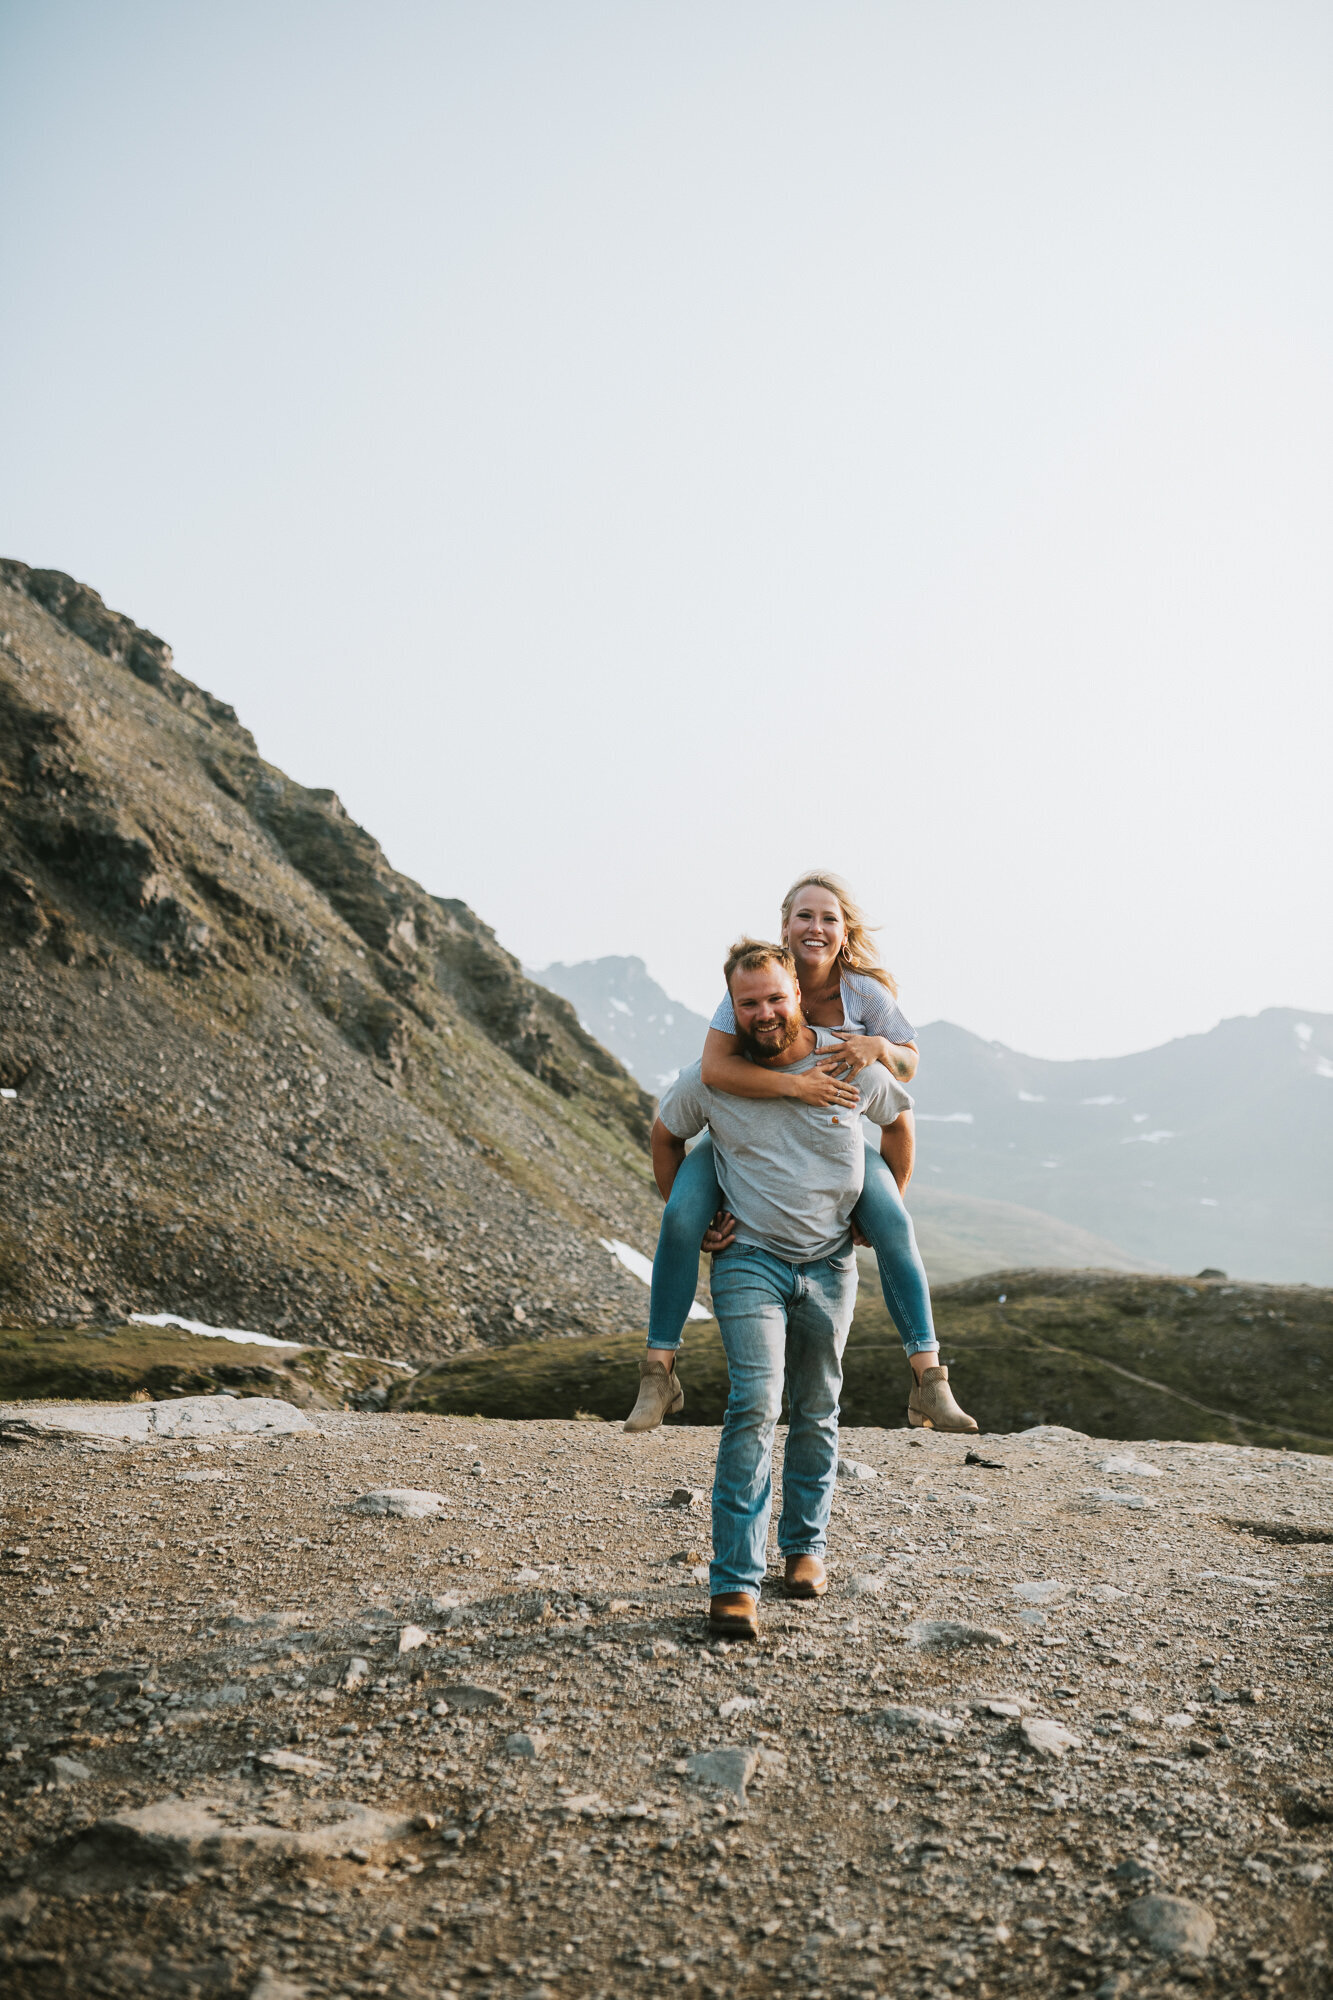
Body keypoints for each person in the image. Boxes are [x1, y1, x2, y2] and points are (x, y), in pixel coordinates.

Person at [625, 871, 976, 1436]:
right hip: (745, 1134)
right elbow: (714, 1070)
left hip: (833, 1141)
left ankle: (929, 1382)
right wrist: (796, 1086)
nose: (816, 927)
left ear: (844, 931)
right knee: (680, 1217)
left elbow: (907, 1075)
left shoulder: (864, 994)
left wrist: (881, 1045)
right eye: (804, 916)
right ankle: (658, 1373)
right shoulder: (754, 983)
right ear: (785, 929)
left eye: (828, 918)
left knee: (893, 1223)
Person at [651, 937, 910, 1639]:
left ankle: (803, 1550)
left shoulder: (842, 1056)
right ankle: (734, 1584)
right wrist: (692, 1214)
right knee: (755, 1405)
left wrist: (873, 1211)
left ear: (797, 990)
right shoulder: (711, 1077)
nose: (763, 1012)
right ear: (730, 1007)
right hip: (749, 1262)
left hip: (829, 1263)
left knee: (817, 1405)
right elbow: (664, 1134)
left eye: (773, 997)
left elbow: (897, 1120)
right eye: (747, 1003)